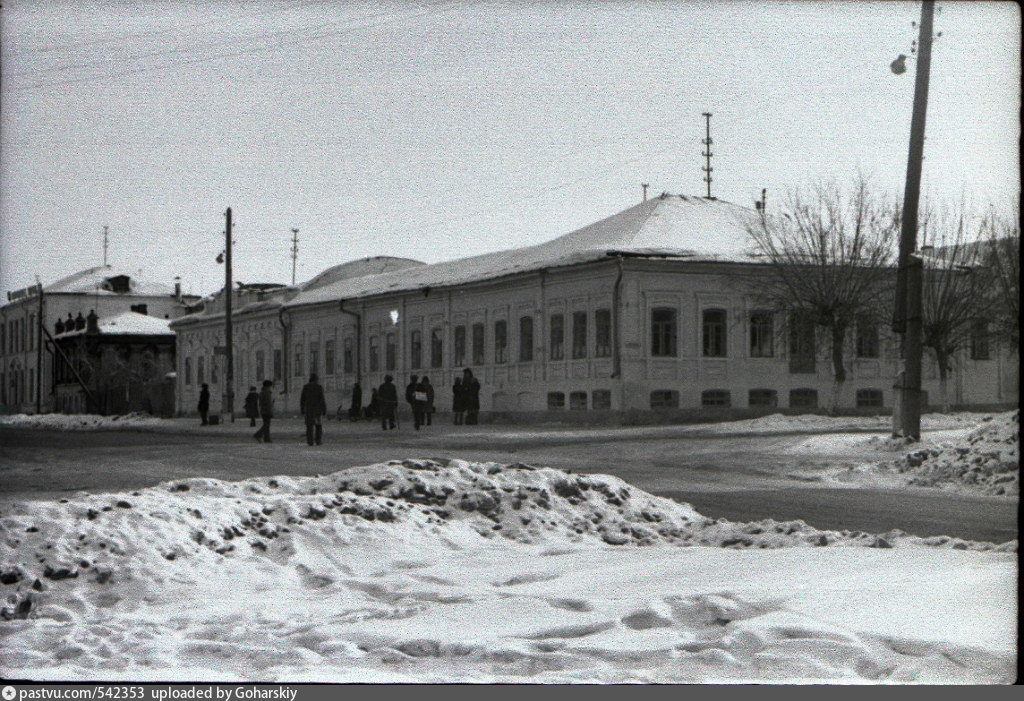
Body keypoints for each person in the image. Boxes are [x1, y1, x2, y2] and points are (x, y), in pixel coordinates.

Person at [300, 373, 327, 446]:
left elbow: (302, 399)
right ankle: (318, 440)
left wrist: (302, 409)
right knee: (318, 426)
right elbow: (322, 399)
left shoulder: (305, 387)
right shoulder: (319, 387)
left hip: (308, 410)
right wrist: (324, 409)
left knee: (309, 426)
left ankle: (310, 441)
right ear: (316, 379)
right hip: (317, 410)